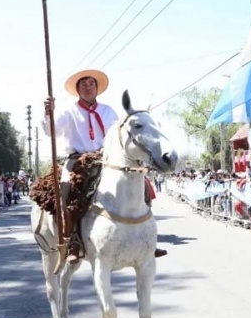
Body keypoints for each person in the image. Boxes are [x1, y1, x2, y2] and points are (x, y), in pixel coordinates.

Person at [43, 69, 167, 263]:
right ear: (77, 89)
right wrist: (48, 112)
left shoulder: (108, 111)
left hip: (106, 159)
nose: (87, 86)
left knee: (143, 186)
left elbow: (119, 135)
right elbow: (51, 131)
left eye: (91, 83)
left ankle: (147, 240)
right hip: (77, 160)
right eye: (83, 83)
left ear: (97, 88)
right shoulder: (68, 111)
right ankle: (73, 242)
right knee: (66, 193)